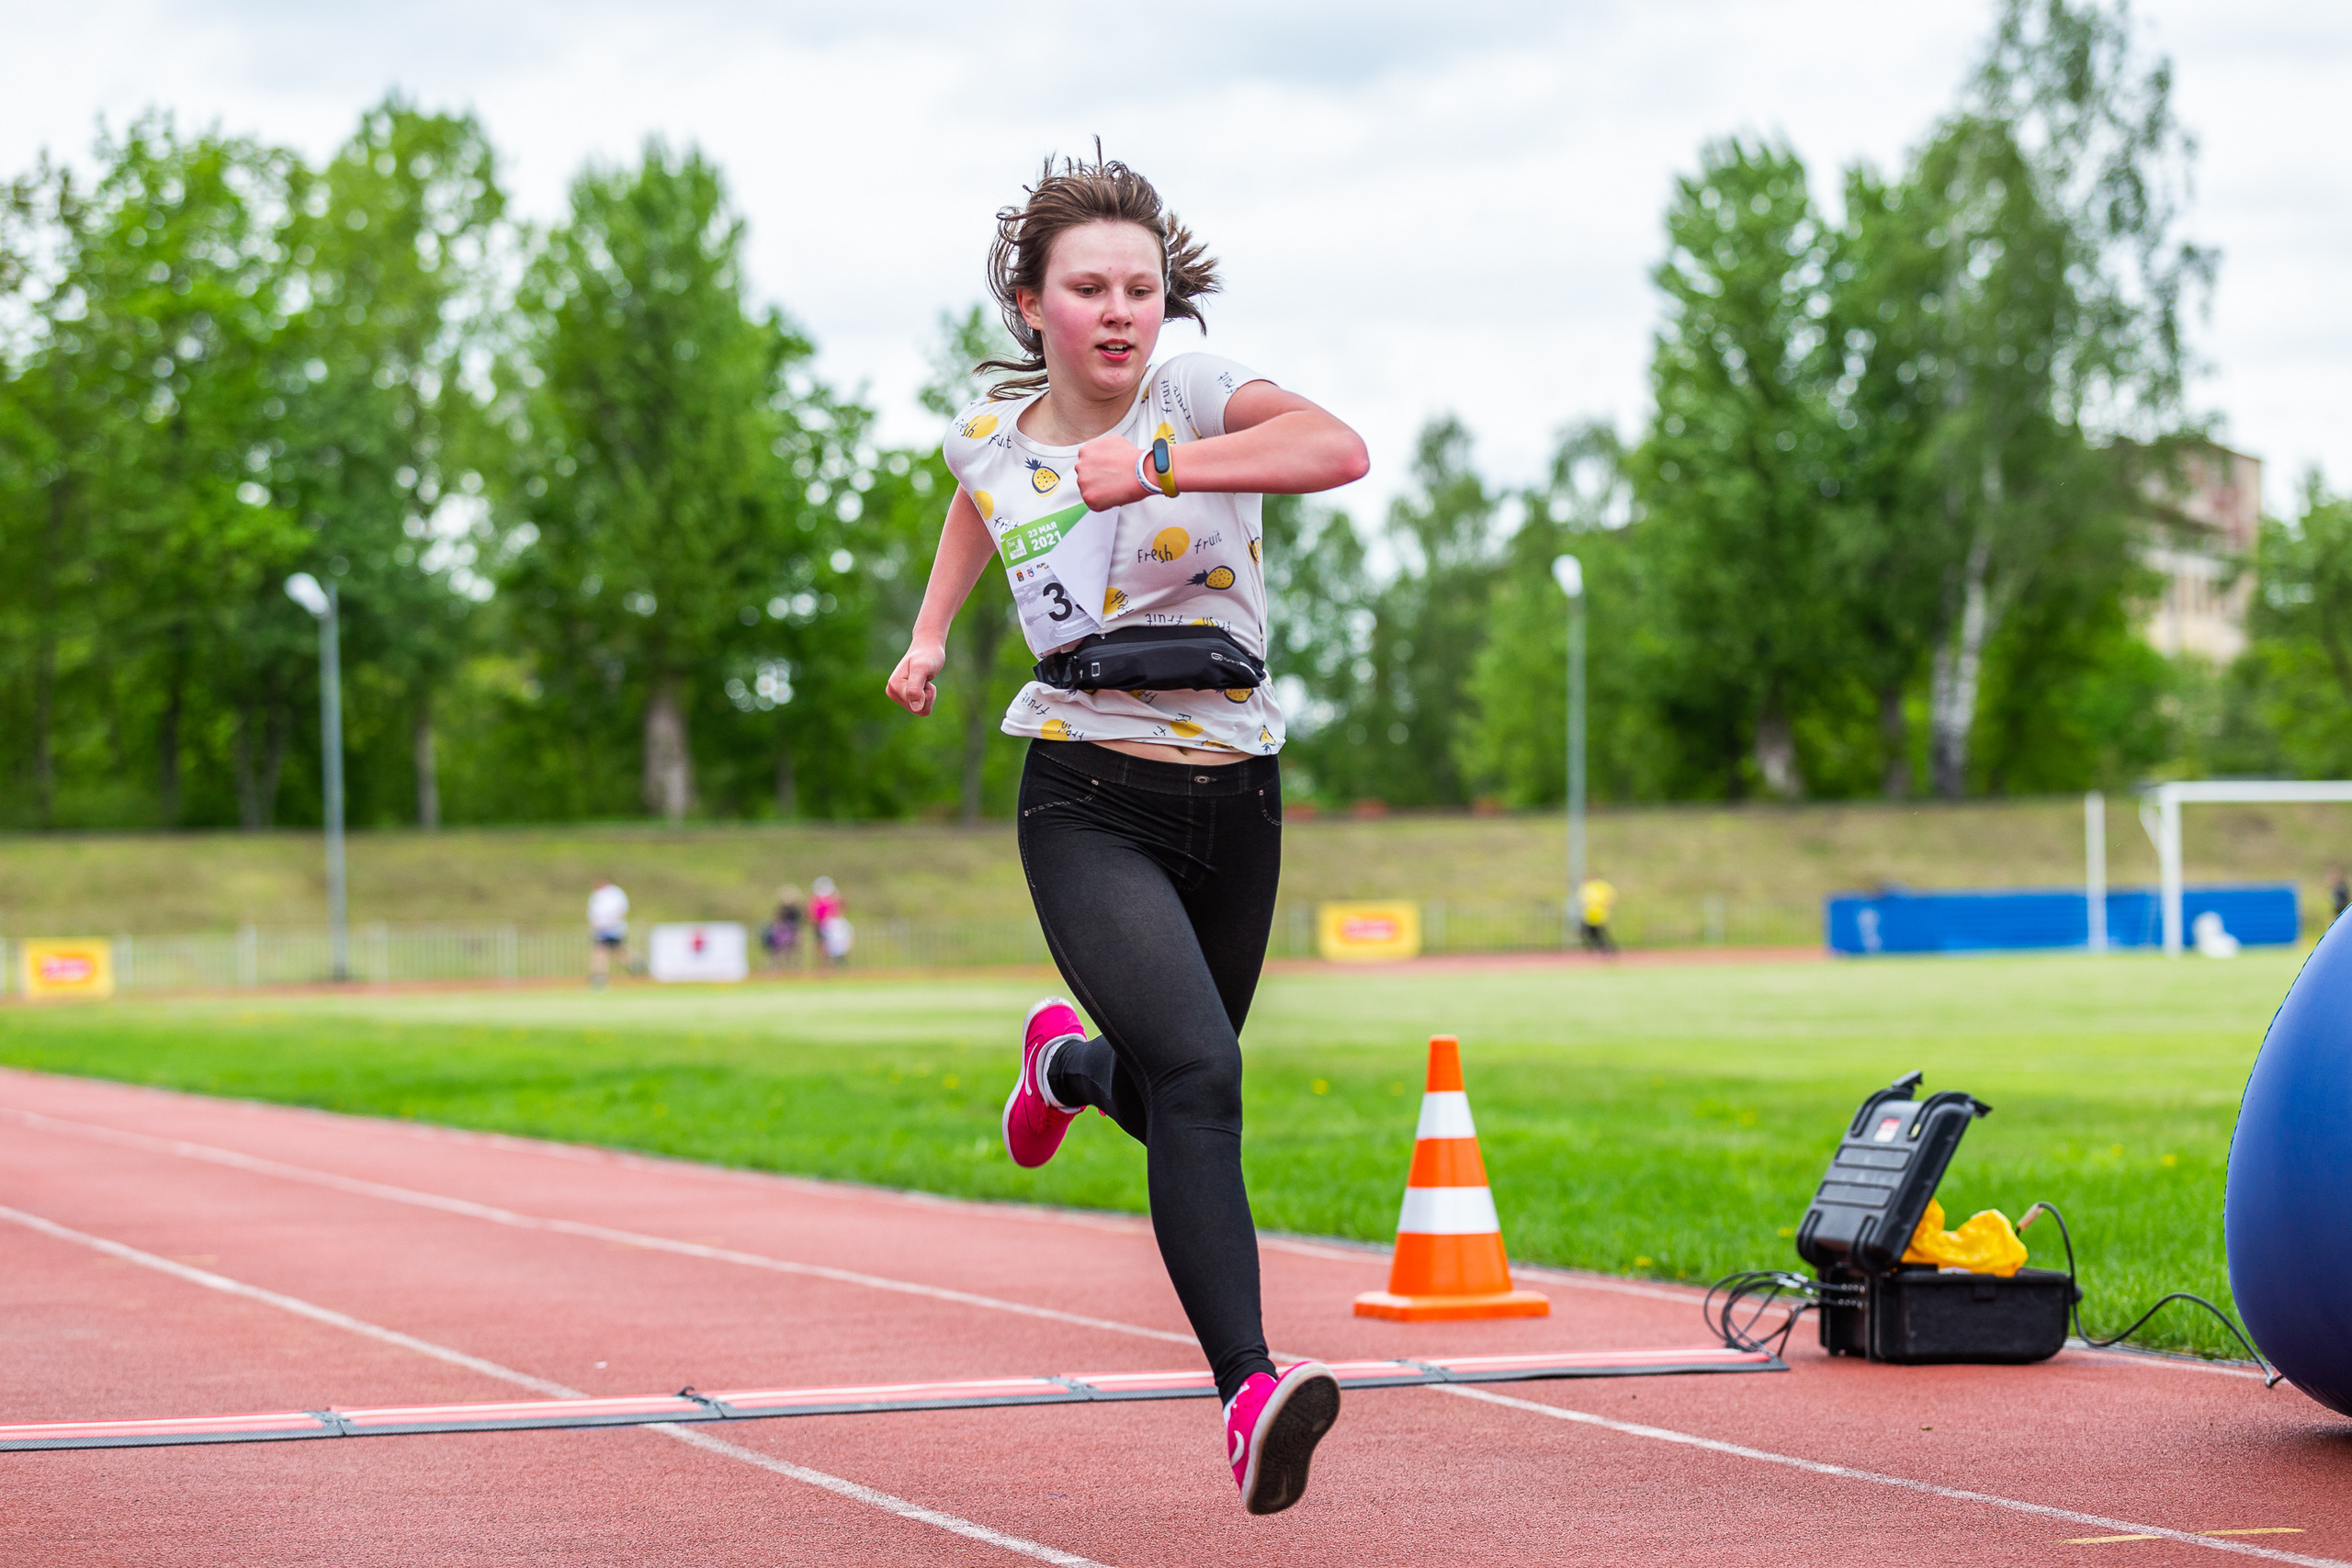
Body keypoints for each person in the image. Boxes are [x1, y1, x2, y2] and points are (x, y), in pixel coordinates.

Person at [885, 150, 1368, 1516]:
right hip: (1086, 785)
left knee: (1167, 1096)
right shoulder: (988, 432)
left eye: (1142, 288)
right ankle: (1251, 1390)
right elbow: (976, 509)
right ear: (1031, 302)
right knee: (1206, 1073)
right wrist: (929, 635)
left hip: (1236, 777)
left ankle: (1067, 1064)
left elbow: (1337, 449)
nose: (1119, 310)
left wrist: (1159, 465)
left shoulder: (1196, 394)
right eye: (1088, 287)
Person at [587, 878, 628, 987]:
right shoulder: (596, 895)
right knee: (600, 951)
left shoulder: (615, 893)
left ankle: (637, 966)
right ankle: (599, 977)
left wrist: (611, 922)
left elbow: (622, 910)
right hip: (601, 929)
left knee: (619, 952)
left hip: (613, 928)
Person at [809, 876, 852, 967]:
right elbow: (812, 913)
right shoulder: (816, 899)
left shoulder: (834, 897)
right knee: (822, 947)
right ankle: (824, 966)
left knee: (835, 946)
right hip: (820, 925)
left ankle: (837, 964)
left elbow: (843, 905)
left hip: (832, 925)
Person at [763, 885, 806, 971]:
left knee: (793, 950)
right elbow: (776, 919)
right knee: (779, 949)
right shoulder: (781, 909)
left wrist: (799, 933)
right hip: (783, 930)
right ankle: (780, 968)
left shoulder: (797, 909)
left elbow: (800, 922)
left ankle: (793, 968)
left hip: (793, 930)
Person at [1577, 875, 1617, 954]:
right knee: (1591, 932)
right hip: (1590, 915)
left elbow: (1610, 896)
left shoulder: (1598, 887)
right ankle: (1600, 947)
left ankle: (1605, 948)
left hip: (1598, 914)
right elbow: (1582, 900)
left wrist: (1607, 904)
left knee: (1598, 933)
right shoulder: (1589, 887)